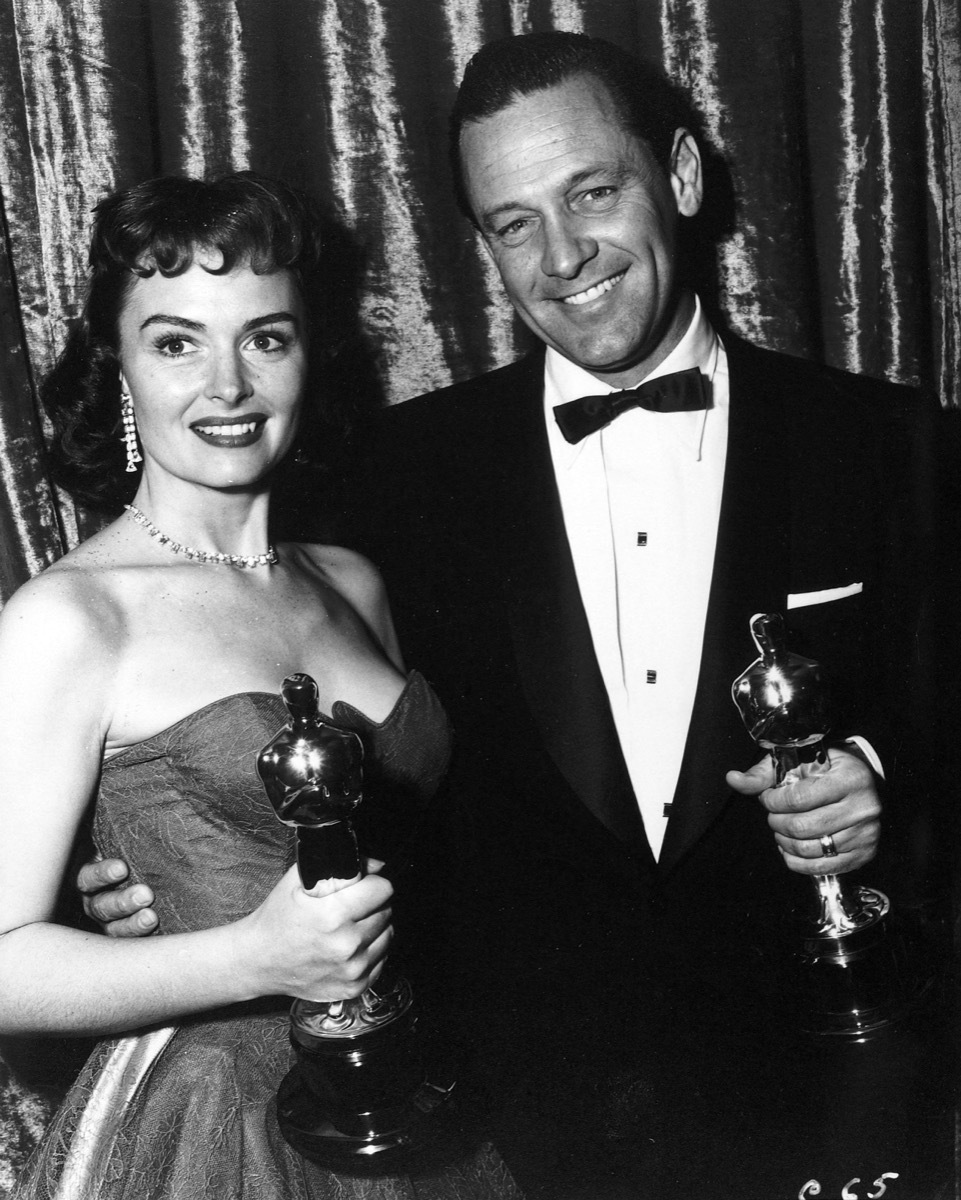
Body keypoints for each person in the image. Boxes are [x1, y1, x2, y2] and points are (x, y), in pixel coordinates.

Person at [83, 35, 946, 1199]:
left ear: (681, 178)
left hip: (817, 1093)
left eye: (592, 191)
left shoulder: (891, 447)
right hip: (504, 1125)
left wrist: (881, 781)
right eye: (512, 222)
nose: (564, 254)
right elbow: (246, 704)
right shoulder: (387, 486)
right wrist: (141, 866)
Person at [0, 171, 522, 1200]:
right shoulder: (70, 620)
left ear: (305, 358)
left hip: (416, 1102)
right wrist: (252, 957)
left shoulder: (352, 582)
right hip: (217, 1127)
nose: (226, 385)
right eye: (177, 341)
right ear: (121, 366)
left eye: (265, 338)